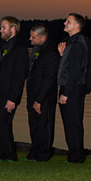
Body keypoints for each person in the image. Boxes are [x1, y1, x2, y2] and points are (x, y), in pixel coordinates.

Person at [0, 16, 29, 162]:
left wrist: (13, 98)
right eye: (0, 27)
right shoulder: (1, 45)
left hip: (8, 95)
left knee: (3, 123)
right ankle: (2, 153)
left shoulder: (20, 49)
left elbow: (19, 76)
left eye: (3, 27)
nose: (0, 30)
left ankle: (10, 155)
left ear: (13, 28)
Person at [57, 13, 91, 163]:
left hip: (73, 89)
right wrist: (62, 55)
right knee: (69, 122)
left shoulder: (78, 43)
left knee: (73, 122)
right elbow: (69, 65)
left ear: (77, 25)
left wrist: (66, 93)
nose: (65, 22)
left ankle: (77, 156)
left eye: (68, 21)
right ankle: (74, 154)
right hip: (69, 87)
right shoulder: (71, 42)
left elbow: (76, 71)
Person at [24, 24, 60, 162]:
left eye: (33, 37)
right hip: (32, 94)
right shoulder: (37, 49)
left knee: (45, 125)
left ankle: (44, 154)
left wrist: (39, 100)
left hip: (44, 97)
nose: (30, 39)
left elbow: (49, 79)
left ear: (42, 37)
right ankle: (34, 152)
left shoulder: (51, 52)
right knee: (34, 125)